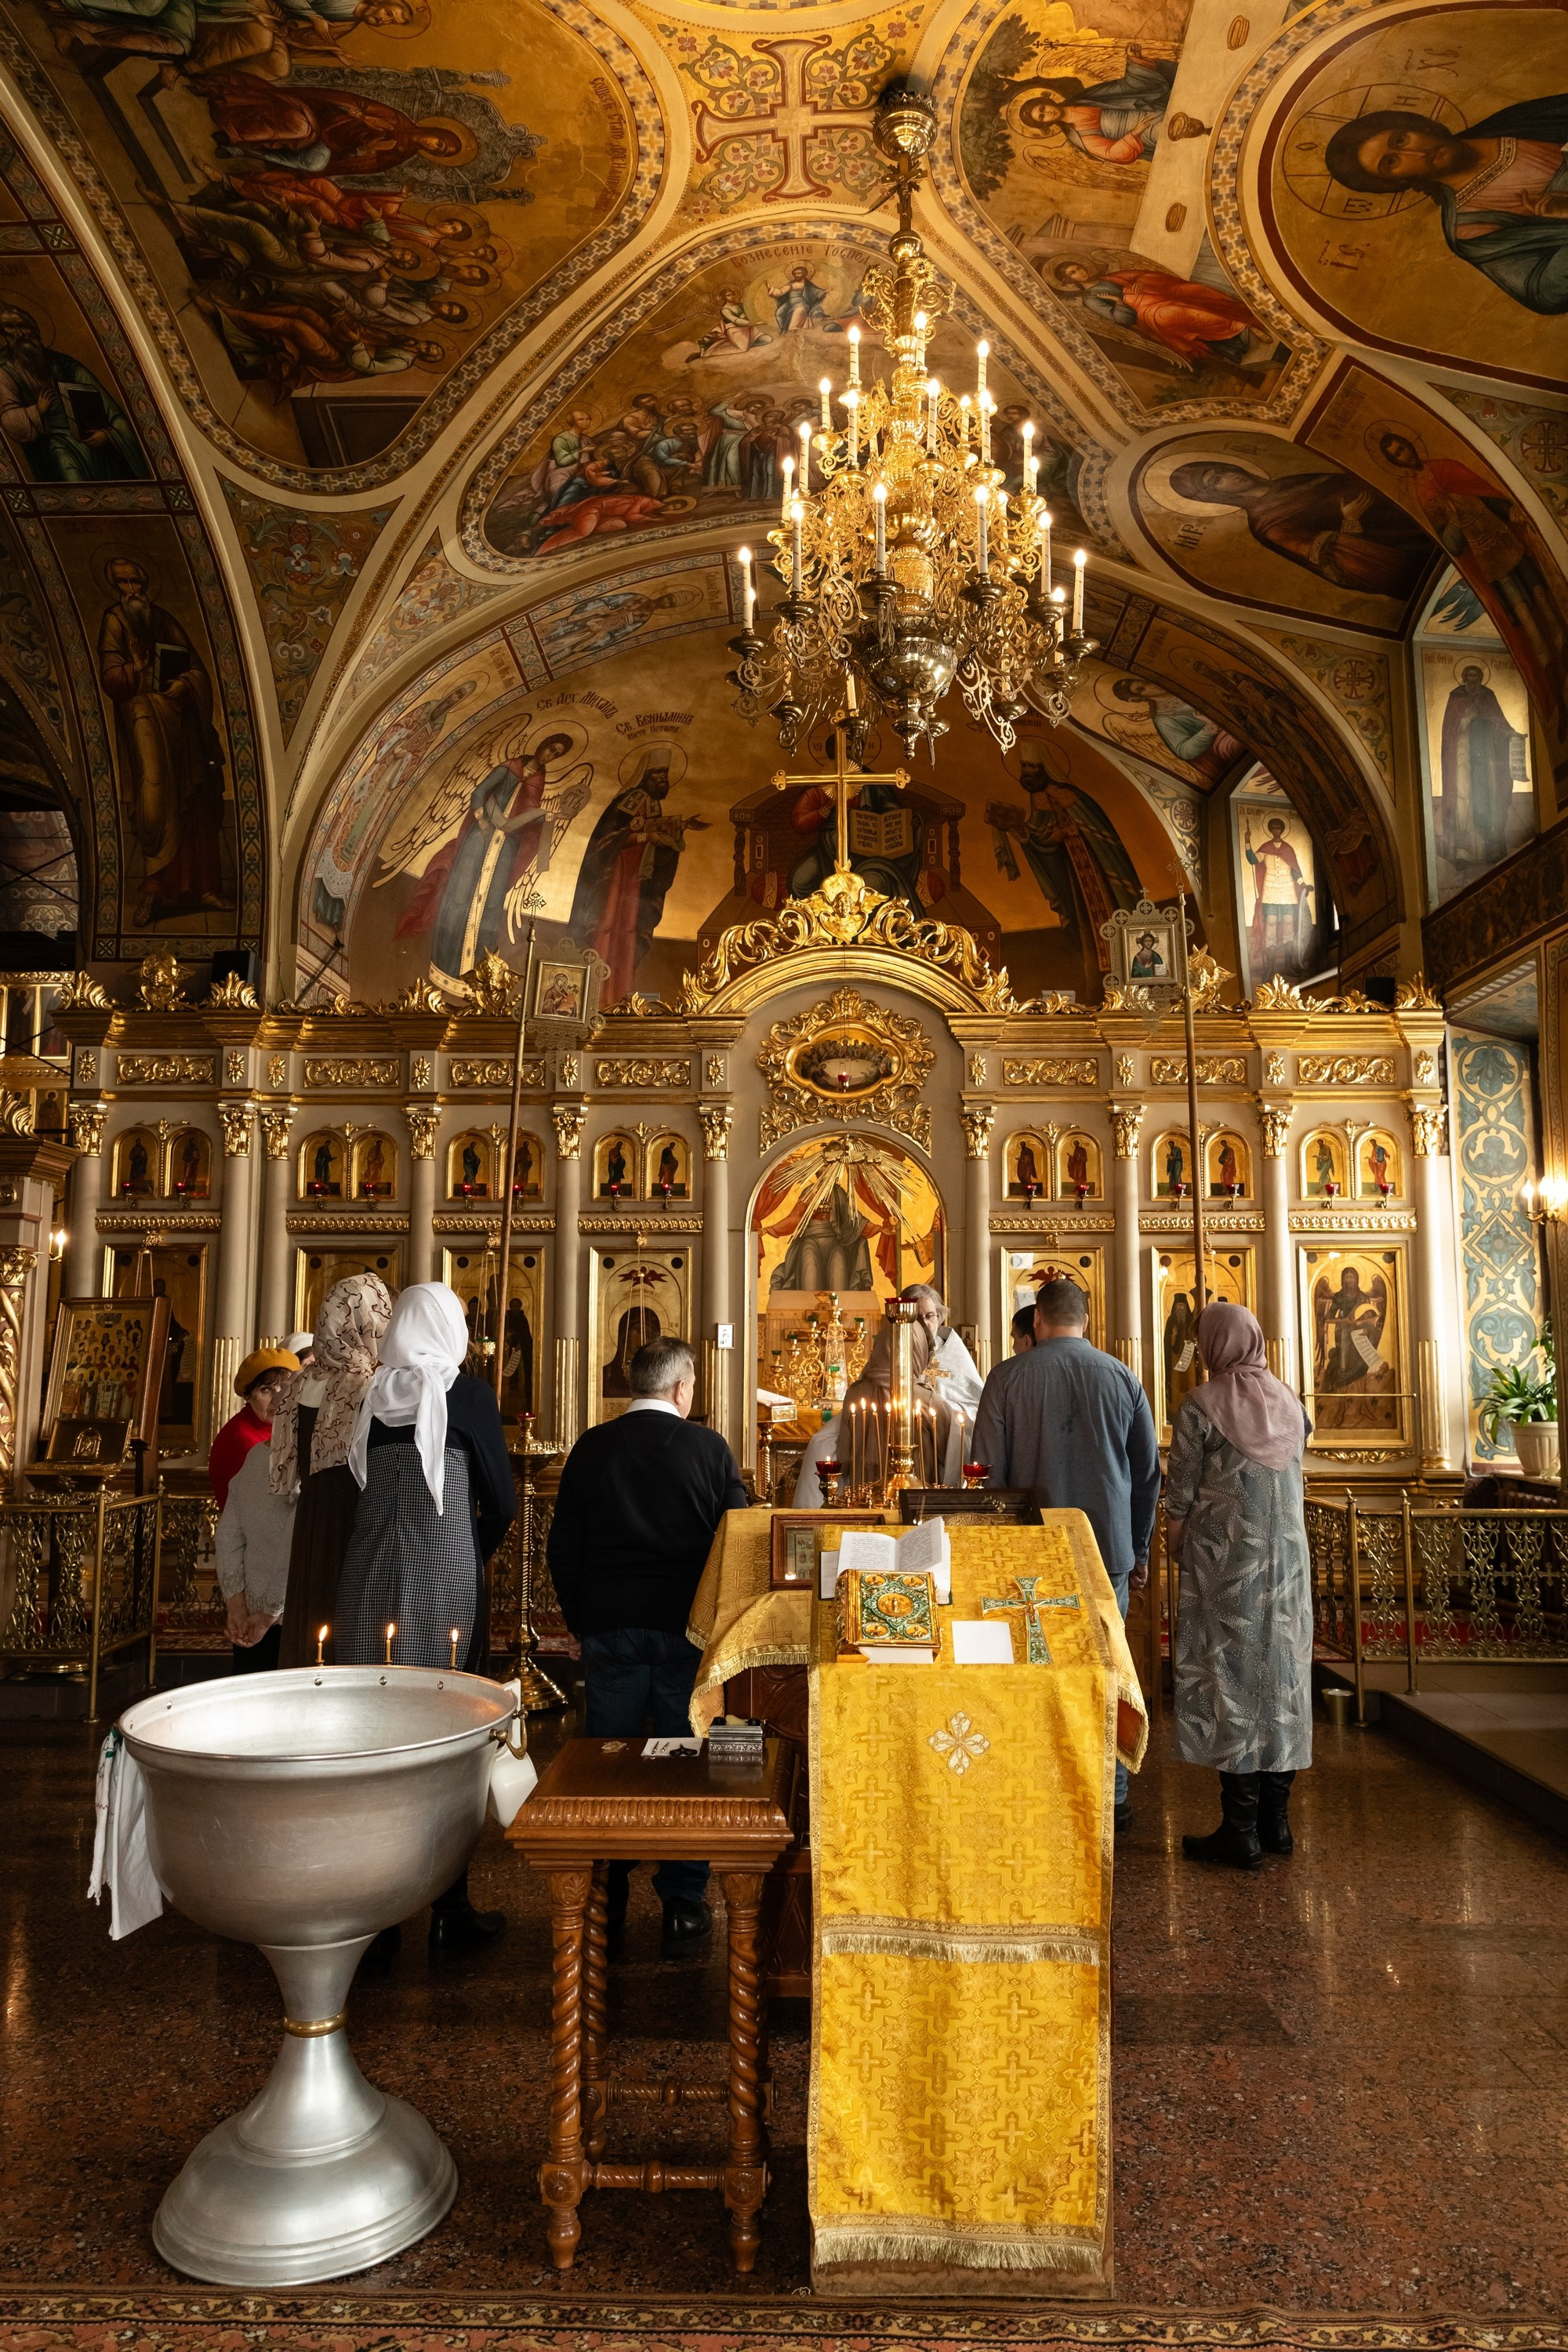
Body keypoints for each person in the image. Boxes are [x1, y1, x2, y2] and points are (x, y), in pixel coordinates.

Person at [547, 1336, 747, 1960]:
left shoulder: (592, 1447)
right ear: (683, 1387)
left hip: (610, 1625)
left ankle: (605, 1896)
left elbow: (563, 1547)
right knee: (684, 1756)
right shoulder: (709, 1449)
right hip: (685, 1628)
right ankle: (684, 1906)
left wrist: (584, 1622)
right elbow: (736, 1541)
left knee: (608, 1756)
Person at [338, 1283, 517, 1955]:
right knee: (448, 1739)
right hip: (443, 1581)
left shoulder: (373, 1395)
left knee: (375, 1740)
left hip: (368, 1581)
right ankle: (449, 1906)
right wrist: (471, 1552)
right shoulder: (467, 1396)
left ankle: (379, 1920)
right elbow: (499, 1498)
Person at [971, 1278, 1160, 1830]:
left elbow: (986, 1476)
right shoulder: (1123, 1378)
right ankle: (1113, 1792)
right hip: (1108, 1554)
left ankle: (1038, 1781)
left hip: (1030, 1555)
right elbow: (1147, 1476)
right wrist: (1140, 1547)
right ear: (1085, 1320)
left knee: (1035, 1670)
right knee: (1105, 1669)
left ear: (1037, 1322)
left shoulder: (1007, 1378)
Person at [1164, 1304, 1312, 1871]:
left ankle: (1241, 1831)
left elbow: (1180, 1491)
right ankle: (1277, 1824)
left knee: (1233, 1679)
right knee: (1282, 1680)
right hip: (1288, 1566)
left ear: (1214, 1344)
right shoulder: (1292, 1402)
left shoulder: (1202, 1406)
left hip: (1227, 1566)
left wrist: (1178, 1544)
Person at [274, 1276, 390, 1669]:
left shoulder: (302, 1379)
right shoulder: (368, 1383)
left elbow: (288, 1463)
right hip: (356, 1512)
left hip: (312, 1511)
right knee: (349, 1615)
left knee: (312, 1608)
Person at [216, 1441, 298, 1675]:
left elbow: (227, 1538)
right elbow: (294, 1544)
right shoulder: (317, 1456)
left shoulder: (257, 1455)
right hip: (287, 1618)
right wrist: (268, 1614)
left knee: (250, 1703)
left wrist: (236, 1607)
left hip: (249, 1617)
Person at [209, 1347, 300, 1510]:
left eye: (285, 1387)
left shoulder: (280, 1427)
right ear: (248, 1396)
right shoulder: (242, 1440)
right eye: (266, 1390)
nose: (278, 1398)